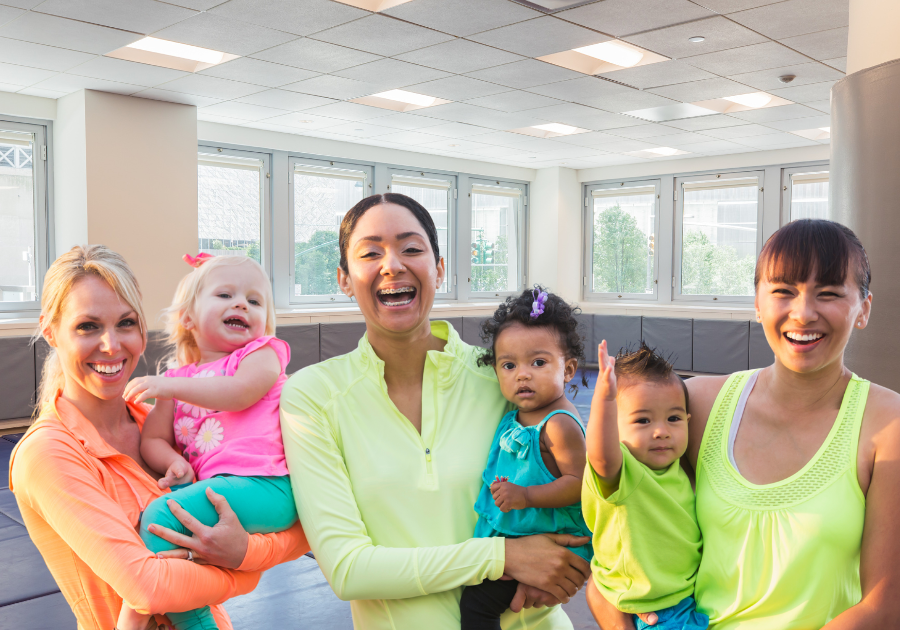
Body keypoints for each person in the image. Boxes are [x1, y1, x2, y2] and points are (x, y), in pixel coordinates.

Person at [280, 193, 592, 630]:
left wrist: (572, 566)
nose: (393, 265)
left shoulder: (500, 380)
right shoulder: (312, 396)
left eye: (411, 248)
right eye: (370, 253)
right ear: (345, 278)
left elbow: (590, 489)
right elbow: (349, 569)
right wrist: (503, 557)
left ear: (439, 269)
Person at [589, 219, 900, 629]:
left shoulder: (886, 425)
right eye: (783, 292)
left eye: (828, 294)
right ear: (757, 302)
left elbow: (883, 607)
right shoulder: (698, 404)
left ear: (863, 309)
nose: (803, 313)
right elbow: (613, 521)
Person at [9, 245, 308, 630]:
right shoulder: (48, 453)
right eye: (88, 326)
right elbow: (148, 588)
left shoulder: (168, 427)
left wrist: (244, 550)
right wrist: (245, 570)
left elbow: (300, 534)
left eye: (126, 323)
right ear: (50, 331)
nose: (111, 345)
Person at [117, 254, 298, 630]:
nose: (240, 304)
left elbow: (239, 393)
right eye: (225, 294)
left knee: (160, 518)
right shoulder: (179, 379)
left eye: (254, 300)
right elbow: (152, 438)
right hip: (223, 491)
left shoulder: (261, 355)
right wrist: (173, 462)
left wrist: (169, 386)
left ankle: (148, 622)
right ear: (188, 317)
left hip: (266, 485)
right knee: (170, 544)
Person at [459, 287, 593, 630]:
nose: (522, 374)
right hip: (521, 534)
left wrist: (525, 496)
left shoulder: (558, 424)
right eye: (509, 365)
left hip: (552, 537)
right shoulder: (518, 414)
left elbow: (581, 486)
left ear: (568, 369)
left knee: (477, 605)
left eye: (538, 362)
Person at [583, 341, 707, 630]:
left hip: (687, 599)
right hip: (656, 611)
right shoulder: (624, 472)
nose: (662, 431)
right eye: (643, 420)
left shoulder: (679, 469)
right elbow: (600, 455)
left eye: (674, 418)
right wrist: (603, 401)